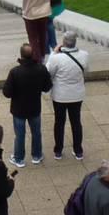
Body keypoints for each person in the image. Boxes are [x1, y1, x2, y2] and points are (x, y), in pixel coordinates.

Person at [1, 43, 51, 167]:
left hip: (19, 109)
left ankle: (19, 158)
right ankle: (37, 155)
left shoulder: (15, 72)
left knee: (20, 134)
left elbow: (7, 93)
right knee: (36, 132)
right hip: (35, 107)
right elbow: (47, 87)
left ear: (21, 55)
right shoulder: (41, 69)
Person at [45, 33, 88, 161]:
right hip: (77, 94)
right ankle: (78, 150)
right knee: (76, 122)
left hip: (60, 96)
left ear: (63, 43)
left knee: (59, 122)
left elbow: (48, 72)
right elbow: (86, 70)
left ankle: (58, 150)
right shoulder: (84, 55)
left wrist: (53, 53)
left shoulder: (56, 58)